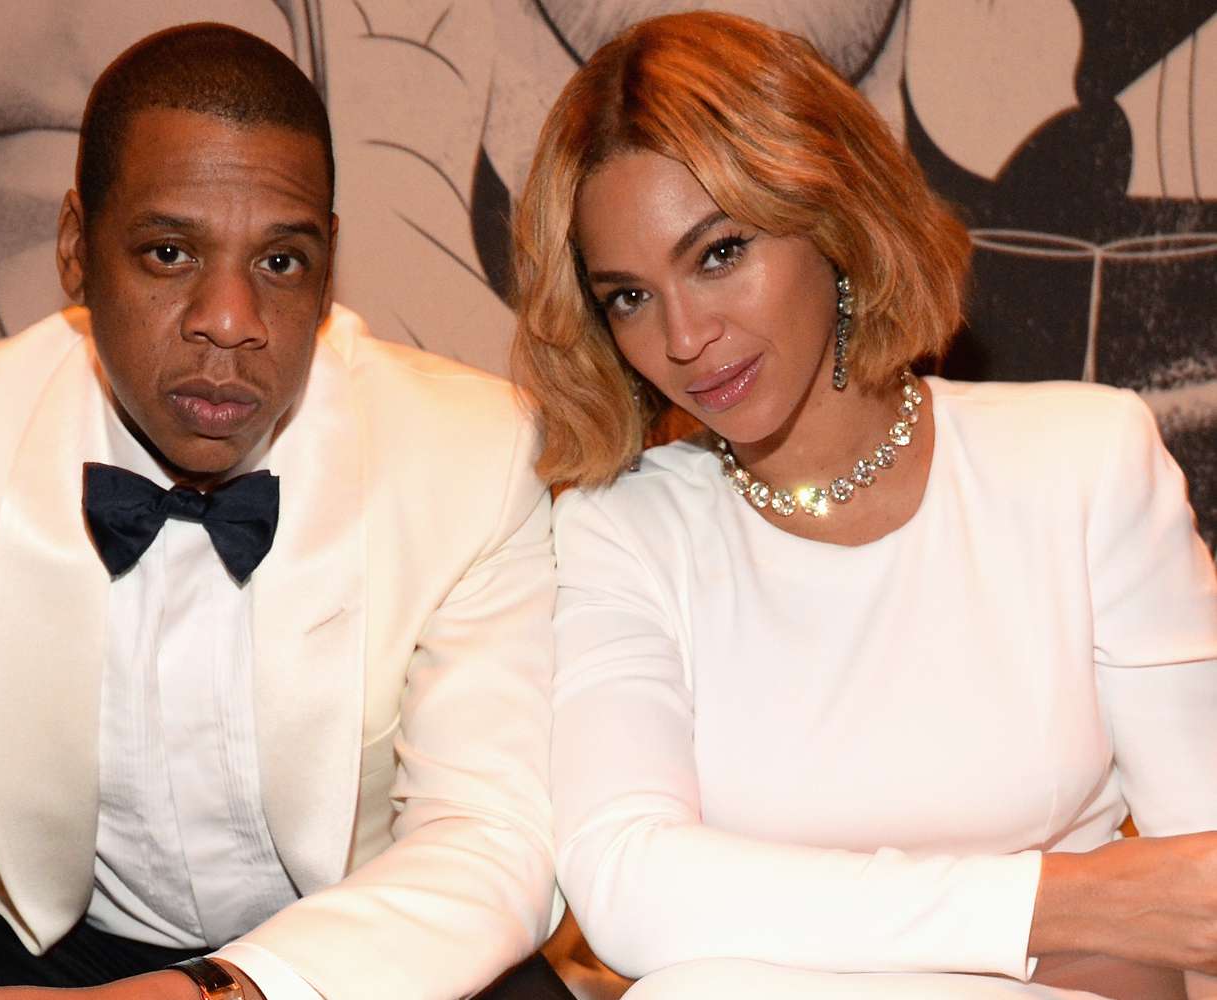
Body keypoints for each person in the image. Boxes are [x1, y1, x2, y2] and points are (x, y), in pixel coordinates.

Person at [0, 24, 570, 1000]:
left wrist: (209, 992)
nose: (230, 319)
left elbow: (491, 834)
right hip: (50, 933)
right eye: (170, 252)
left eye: (280, 263)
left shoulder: (473, 452)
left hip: (349, 945)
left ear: (328, 265)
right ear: (77, 252)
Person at [511, 12, 1217, 1000]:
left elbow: (1199, 884)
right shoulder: (623, 527)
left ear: (830, 214)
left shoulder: (1083, 462)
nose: (682, 336)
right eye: (627, 294)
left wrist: (771, 921)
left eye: (719, 253)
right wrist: (1063, 903)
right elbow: (630, 891)